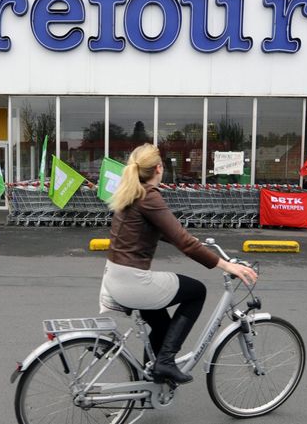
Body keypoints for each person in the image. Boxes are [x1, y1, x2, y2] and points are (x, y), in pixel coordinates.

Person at [99, 144, 257, 385]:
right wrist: (226, 265)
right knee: (196, 291)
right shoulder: (148, 195)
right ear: (159, 168)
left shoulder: (130, 192)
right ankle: (166, 361)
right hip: (133, 282)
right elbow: (183, 241)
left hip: (114, 278)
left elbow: (158, 232)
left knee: (162, 326)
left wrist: (193, 242)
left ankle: (150, 377)